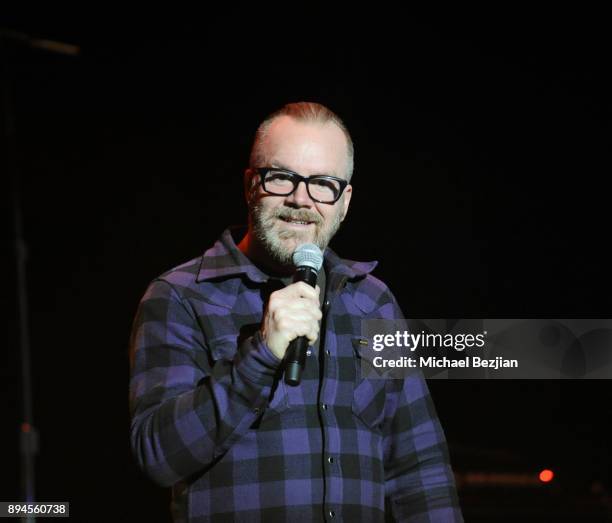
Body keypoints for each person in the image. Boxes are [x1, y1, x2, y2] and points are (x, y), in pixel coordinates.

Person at [129, 102, 463, 522]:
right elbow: (158, 455)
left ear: (344, 201)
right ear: (251, 184)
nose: (300, 199)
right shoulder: (181, 296)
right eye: (282, 177)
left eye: (323, 184)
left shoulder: (373, 302)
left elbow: (420, 469)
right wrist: (260, 356)